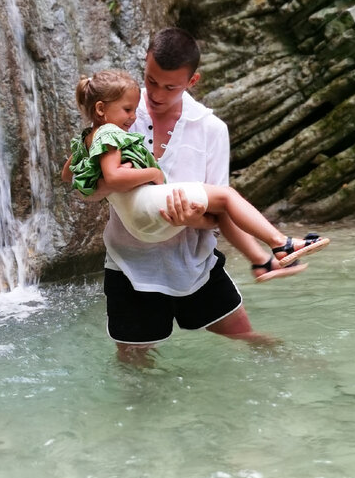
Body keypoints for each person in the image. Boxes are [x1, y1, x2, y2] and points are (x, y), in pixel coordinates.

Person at [62, 28, 328, 362]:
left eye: (169, 86)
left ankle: (307, 369)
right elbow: (81, 183)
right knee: (133, 362)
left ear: (193, 80)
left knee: (246, 337)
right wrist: (117, 183)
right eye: (151, 80)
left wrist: (190, 219)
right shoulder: (122, 107)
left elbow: (218, 216)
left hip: (194, 262)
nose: (155, 94)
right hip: (130, 265)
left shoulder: (210, 129)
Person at [63, 69, 327, 278]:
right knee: (225, 197)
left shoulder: (88, 137)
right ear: (100, 109)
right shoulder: (110, 133)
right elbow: (113, 177)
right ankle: (280, 243)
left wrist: (90, 176)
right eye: (128, 110)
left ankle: (264, 261)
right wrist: (153, 173)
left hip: (138, 215)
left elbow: (68, 175)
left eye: (134, 109)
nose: (134, 116)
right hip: (143, 204)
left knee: (220, 207)